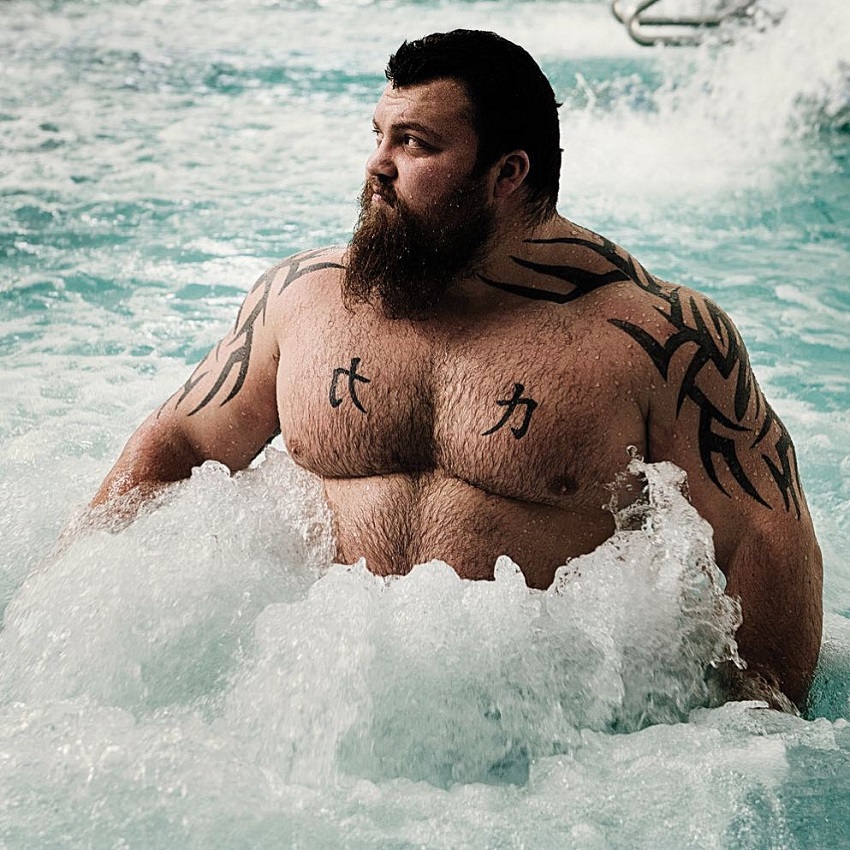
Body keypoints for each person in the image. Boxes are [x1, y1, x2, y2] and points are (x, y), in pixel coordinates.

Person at [88, 30, 822, 711]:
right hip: (313, 697)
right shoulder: (304, 300)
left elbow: (762, 537)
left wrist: (753, 745)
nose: (378, 164)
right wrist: (63, 612)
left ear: (506, 174)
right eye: (379, 136)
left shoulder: (655, 339)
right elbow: (178, 444)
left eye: (415, 143)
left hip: (545, 737)